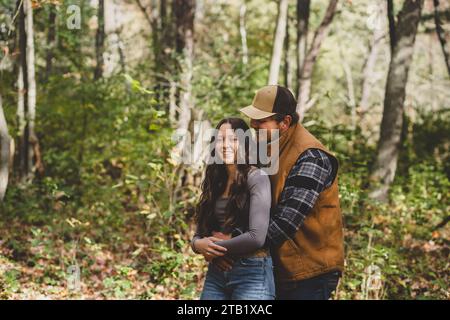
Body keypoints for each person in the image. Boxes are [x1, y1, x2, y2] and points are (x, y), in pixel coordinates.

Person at [214, 85, 345, 300]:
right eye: (253, 118)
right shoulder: (266, 145)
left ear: (284, 122)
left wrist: (227, 248)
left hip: (309, 272)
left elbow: (285, 222)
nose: (253, 124)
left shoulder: (311, 156)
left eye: (261, 120)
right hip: (273, 265)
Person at [190, 117, 275, 300]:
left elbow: (256, 237)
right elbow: (199, 234)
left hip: (251, 272)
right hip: (217, 272)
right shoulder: (216, 180)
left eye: (234, 139)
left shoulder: (257, 177)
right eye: (221, 139)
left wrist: (216, 248)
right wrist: (197, 245)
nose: (226, 145)